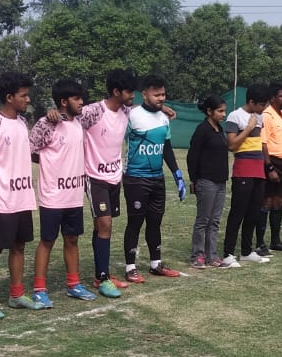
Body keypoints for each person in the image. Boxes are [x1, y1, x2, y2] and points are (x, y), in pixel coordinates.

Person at [28, 78, 96, 306]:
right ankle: (39, 288)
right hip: (52, 196)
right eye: (77, 99)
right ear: (64, 102)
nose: (82, 102)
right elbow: (28, 149)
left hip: (74, 194)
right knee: (48, 240)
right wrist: (47, 162)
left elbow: (114, 106)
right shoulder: (46, 124)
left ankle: (74, 284)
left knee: (72, 239)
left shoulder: (80, 121)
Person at [0, 72, 40, 317]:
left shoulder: (23, 122)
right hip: (3, 197)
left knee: (19, 245)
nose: (28, 99)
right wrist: (2, 171)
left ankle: (16, 295)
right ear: (9, 97)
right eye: (23, 95)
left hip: (23, 195)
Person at [121, 74, 185, 281]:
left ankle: (155, 264)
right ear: (145, 93)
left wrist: (177, 173)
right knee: (135, 222)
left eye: (163, 94)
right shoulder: (131, 115)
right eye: (156, 94)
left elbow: (166, 148)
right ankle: (130, 267)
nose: (161, 98)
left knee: (155, 222)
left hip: (157, 179)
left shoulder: (164, 118)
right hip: (136, 179)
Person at [78, 69, 135, 297]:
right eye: (129, 91)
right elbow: (69, 119)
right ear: (116, 91)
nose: (133, 95)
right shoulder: (93, 111)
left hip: (114, 177)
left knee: (101, 227)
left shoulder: (126, 111)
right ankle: (103, 278)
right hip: (94, 177)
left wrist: (163, 107)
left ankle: (100, 273)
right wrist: (54, 114)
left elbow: (145, 109)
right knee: (105, 225)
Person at [222, 84, 271, 265]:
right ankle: (228, 253)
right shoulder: (235, 116)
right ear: (251, 102)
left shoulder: (260, 116)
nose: (264, 108)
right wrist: (249, 128)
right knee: (238, 212)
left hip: (258, 171)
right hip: (243, 170)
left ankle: (246, 251)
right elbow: (232, 145)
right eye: (261, 105)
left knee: (253, 213)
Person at [187, 95, 229, 269]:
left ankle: (212, 256)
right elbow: (192, 157)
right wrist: (194, 180)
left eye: (224, 111)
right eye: (220, 111)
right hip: (206, 181)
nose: (224, 114)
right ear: (209, 111)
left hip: (220, 182)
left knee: (215, 220)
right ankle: (198, 255)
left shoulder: (219, 129)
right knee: (203, 220)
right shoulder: (202, 130)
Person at [258, 82, 282, 253]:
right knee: (266, 202)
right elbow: (263, 143)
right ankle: (260, 242)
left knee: (278, 202)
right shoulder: (266, 115)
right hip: (271, 163)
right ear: (273, 98)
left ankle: (276, 240)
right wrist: (269, 168)